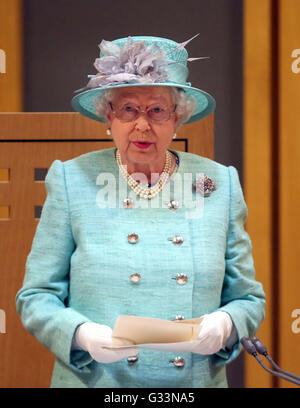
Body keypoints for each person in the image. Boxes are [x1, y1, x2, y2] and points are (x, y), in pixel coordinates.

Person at [16, 35, 265, 388]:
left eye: (157, 110)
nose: (143, 125)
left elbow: (248, 299)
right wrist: (80, 334)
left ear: (178, 118)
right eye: (128, 109)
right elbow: (36, 297)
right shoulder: (73, 180)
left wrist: (227, 324)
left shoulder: (219, 182)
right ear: (108, 115)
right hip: (99, 382)